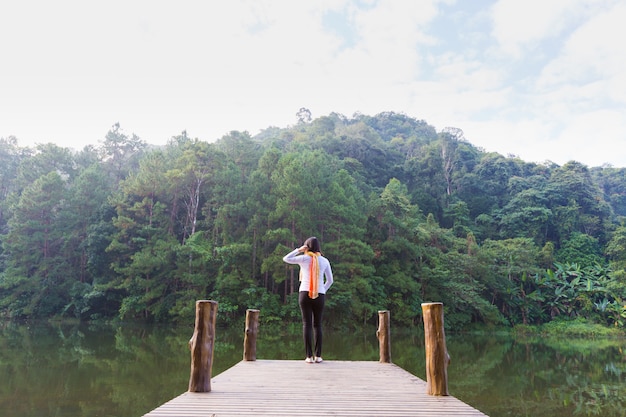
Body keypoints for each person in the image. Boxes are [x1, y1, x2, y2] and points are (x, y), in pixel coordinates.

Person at [283, 237, 334, 363]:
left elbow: (286, 258)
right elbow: (330, 280)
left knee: (307, 324)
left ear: (307, 247)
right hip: (319, 294)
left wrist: (298, 250)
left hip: (304, 293)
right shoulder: (324, 260)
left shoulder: (304, 258)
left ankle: (308, 357)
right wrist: (322, 290)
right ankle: (318, 356)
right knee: (317, 325)